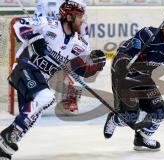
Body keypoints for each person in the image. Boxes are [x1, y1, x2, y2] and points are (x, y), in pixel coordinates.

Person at [0, 1, 105, 159]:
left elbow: (82, 70)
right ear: (69, 17)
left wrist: (95, 65)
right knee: (46, 97)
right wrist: (34, 36)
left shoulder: (79, 44)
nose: (82, 21)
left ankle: (3, 149)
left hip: (38, 80)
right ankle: (8, 136)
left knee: (33, 118)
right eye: (79, 17)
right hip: (24, 68)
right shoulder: (49, 24)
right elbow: (19, 25)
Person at [103, 12, 164, 151]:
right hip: (124, 75)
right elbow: (124, 51)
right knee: (129, 117)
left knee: (159, 112)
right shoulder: (149, 34)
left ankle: (142, 138)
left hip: (143, 78)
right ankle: (113, 119)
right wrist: (125, 61)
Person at [35, 0, 90, 112]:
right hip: (49, 40)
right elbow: (37, 22)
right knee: (44, 72)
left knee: (77, 63)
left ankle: (70, 94)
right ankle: (40, 92)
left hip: (71, 39)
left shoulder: (79, 2)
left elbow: (82, 25)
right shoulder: (44, 2)